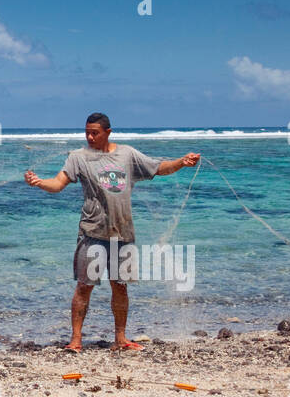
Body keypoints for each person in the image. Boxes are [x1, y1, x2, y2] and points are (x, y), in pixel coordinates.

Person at [24, 112, 199, 352]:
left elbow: (158, 168)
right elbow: (58, 183)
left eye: (94, 132)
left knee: (120, 286)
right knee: (84, 286)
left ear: (108, 132)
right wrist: (39, 182)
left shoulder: (127, 154)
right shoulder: (78, 158)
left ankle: (120, 339)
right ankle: (76, 340)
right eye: (86, 132)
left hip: (123, 233)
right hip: (92, 232)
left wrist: (181, 161)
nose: (89, 136)